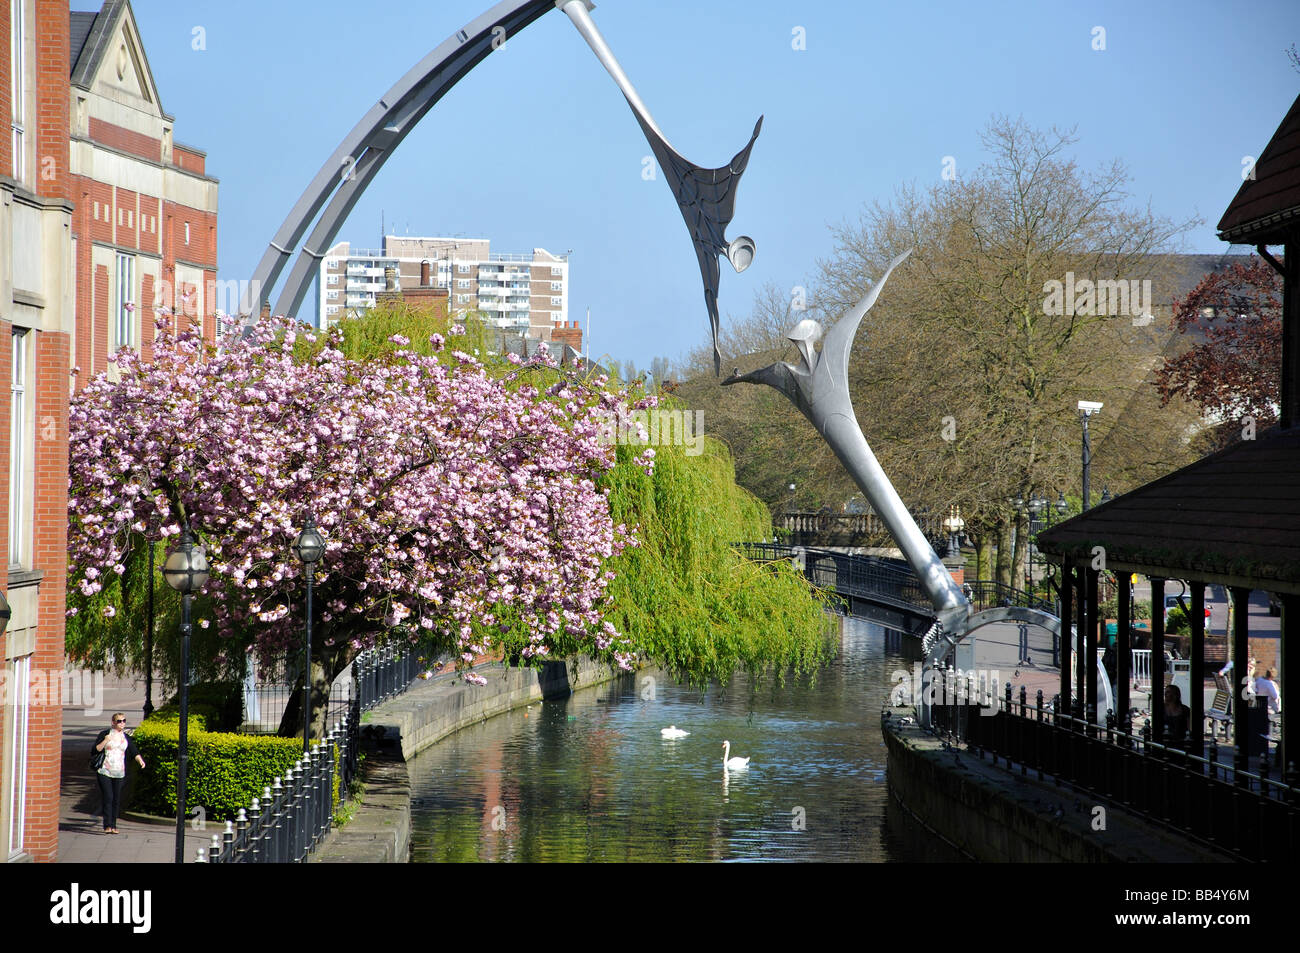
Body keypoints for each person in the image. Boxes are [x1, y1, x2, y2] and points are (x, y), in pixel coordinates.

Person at [93, 712, 145, 834]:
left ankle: (114, 825)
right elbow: (95, 749)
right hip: (104, 770)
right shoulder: (105, 734)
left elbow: (133, 751)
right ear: (113, 722)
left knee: (116, 799)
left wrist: (140, 761)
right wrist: (105, 740)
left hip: (119, 771)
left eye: (124, 721)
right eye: (119, 721)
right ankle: (107, 825)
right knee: (108, 797)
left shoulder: (125, 737)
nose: (122, 723)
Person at [1162, 684, 1191, 750]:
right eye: (1165, 692)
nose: (1165, 694)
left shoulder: (1185, 710)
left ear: (1175, 695)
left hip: (1180, 743)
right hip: (1165, 742)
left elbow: (1189, 728)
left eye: (1168, 692)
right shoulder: (1161, 709)